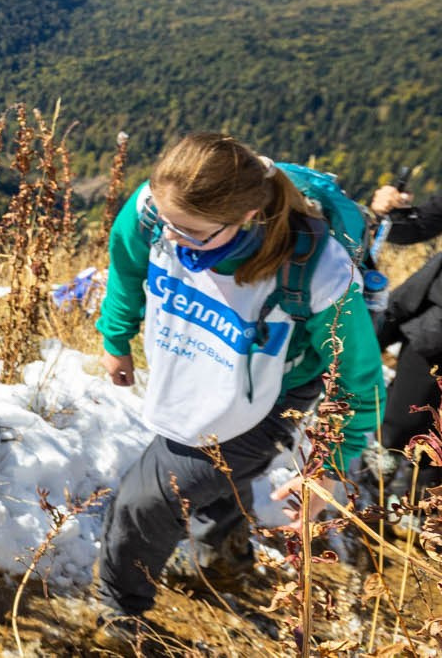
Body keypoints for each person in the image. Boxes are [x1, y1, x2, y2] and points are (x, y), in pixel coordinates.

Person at [93, 133, 384, 645]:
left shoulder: (315, 270)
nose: (174, 239)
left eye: (193, 234)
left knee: (146, 499)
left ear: (249, 215)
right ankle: (222, 557)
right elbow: (127, 265)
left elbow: (358, 379)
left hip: (277, 396)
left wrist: (329, 470)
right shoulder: (152, 212)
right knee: (218, 473)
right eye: (167, 223)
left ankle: (120, 614)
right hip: (200, 367)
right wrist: (115, 336)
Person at [370, 179, 442, 511]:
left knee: (418, 426)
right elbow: (418, 226)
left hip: (432, 327)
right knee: (401, 419)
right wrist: (391, 212)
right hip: (421, 304)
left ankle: (415, 507)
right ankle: (377, 493)